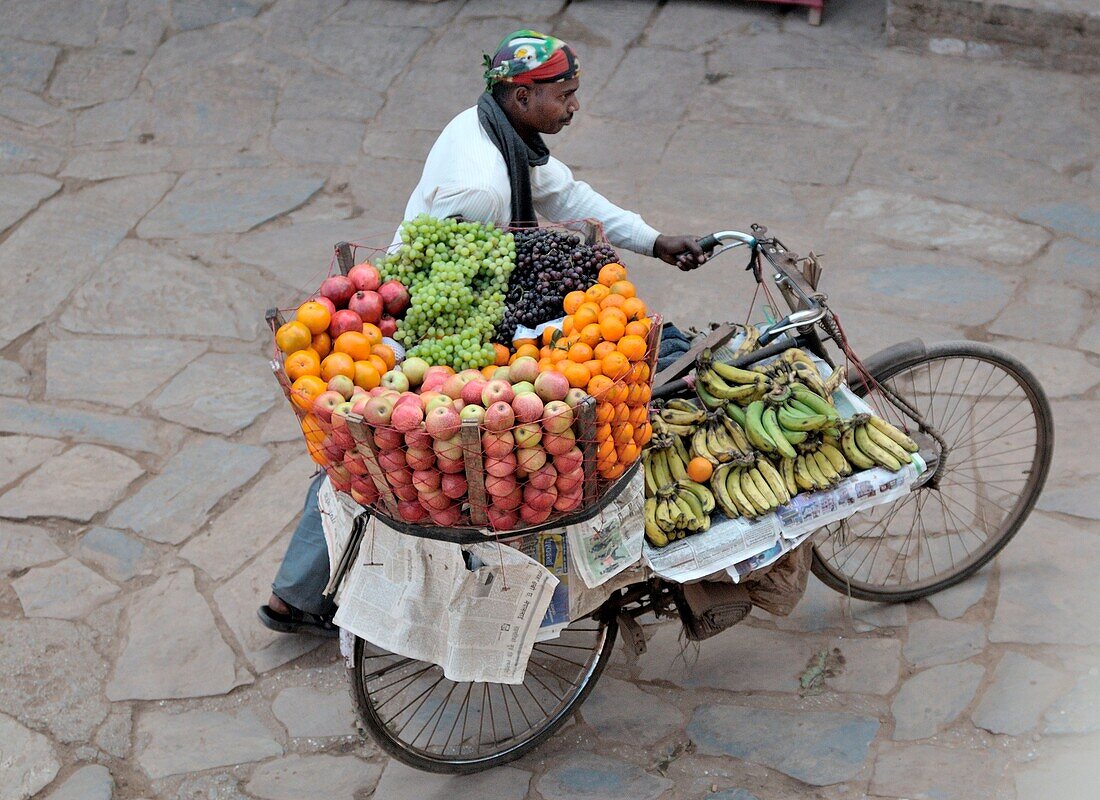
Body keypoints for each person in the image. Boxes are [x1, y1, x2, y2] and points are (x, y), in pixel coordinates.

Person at [258, 29, 708, 637]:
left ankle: (298, 592)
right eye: (565, 95)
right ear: (521, 95)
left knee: (373, 458)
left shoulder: (492, 125)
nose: (575, 107)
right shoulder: (484, 188)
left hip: (451, 299)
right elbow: (454, 288)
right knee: (386, 459)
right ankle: (318, 593)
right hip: (421, 324)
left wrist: (654, 240)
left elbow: (565, 193)